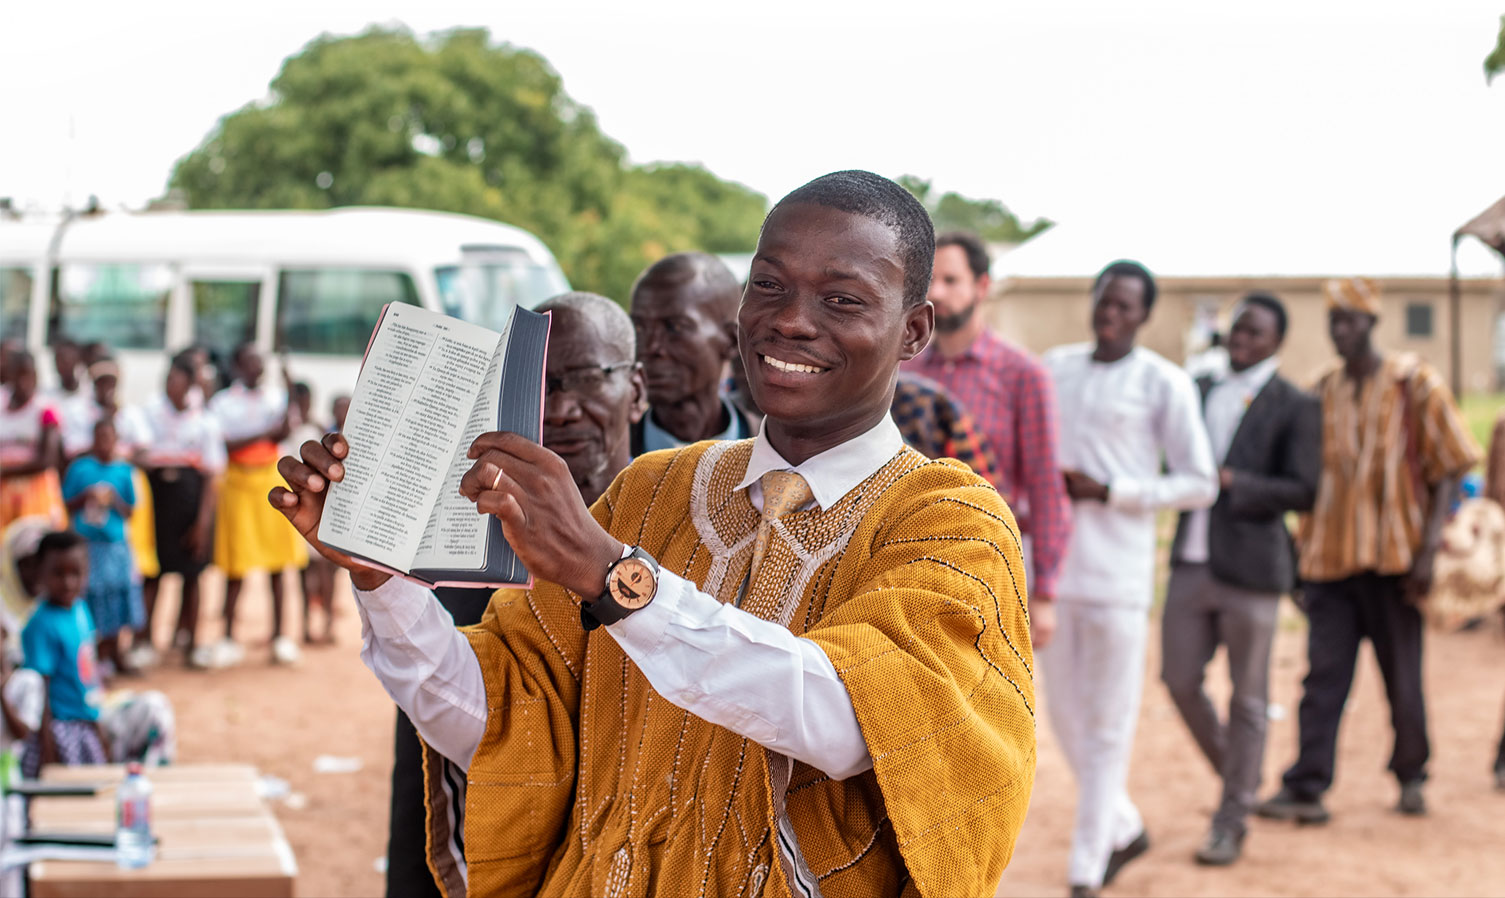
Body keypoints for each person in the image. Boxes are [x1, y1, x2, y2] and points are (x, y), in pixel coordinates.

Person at [274, 171, 1035, 896]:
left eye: (842, 299)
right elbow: (497, 727)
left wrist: (615, 579)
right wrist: (379, 578)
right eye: (767, 284)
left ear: (914, 330)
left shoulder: (949, 521)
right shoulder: (653, 489)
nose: (791, 319)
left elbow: (847, 721)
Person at [378, 291, 646, 898]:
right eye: (539, 386)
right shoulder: (468, 559)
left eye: (587, 378)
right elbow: (429, 775)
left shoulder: (685, 538)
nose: (563, 408)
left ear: (638, 390)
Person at [1258, 277, 1481, 823]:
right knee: (1322, 680)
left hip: (1395, 565)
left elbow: (1452, 465)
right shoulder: (1320, 391)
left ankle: (1411, 775)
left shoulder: (1414, 384)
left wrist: (1428, 552)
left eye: (1350, 320)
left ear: (1372, 323)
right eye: (1334, 320)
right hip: (1330, 566)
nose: (1340, 331)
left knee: (1402, 678)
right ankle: (1307, 786)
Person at [1042, 259, 1218, 897]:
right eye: (1104, 301)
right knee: (1063, 718)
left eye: (1125, 306)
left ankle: (1086, 869)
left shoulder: (1164, 383)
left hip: (1119, 576)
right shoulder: (1055, 369)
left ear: (1144, 315)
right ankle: (1124, 824)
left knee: (1110, 721)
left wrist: (1113, 491)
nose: (1111, 314)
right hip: (1055, 572)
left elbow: (1200, 482)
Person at [1161, 293, 1321, 865]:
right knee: (1178, 679)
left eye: (1254, 333)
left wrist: (1236, 481)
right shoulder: (1196, 388)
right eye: (1236, 329)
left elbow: (1305, 490)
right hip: (1190, 560)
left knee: (1249, 700)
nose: (1241, 339)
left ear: (1276, 341)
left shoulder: (1295, 404)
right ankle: (1242, 780)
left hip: (1253, 567)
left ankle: (1230, 821)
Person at [904, 231, 1071, 647]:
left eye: (951, 280)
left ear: (982, 286)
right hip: (904, 553)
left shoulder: (1023, 374)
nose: (936, 293)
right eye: (929, 281)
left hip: (985, 559)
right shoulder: (904, 370)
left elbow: (1045, 484)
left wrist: (1045, 592)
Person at [209, 342, 306, 667]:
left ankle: (280, 637)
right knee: (236, 565)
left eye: (260, 363)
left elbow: (284, 430)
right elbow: (225, 443)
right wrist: (264, 433)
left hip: (269, 479)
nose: (256, 369)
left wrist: (289, 382)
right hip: (237, 483)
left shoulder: (275, 397)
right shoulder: (223, 402)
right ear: (237, 366)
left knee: (278, 563)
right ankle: (227, 638)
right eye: (250, 363)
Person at [133, 355, 226, 669]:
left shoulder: (205, 422)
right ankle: (143, 641)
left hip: (189, 505)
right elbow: (137, 453)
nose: (170, 385)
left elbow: (212, 477)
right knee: (152, 575)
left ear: (190, 384)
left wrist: (202, 523)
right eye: (168, 379)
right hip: (155, 504)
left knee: (192, 575)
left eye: (177, 379)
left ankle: (192, 641)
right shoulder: (149, 414)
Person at [628, 252, 757, 453]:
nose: (650, 347)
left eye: (675, 327)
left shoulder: (779, 455)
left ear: (732, 341)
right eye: (639, 328)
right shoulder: (607, 458)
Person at [19, 531, 107, 776]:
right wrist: (48, 751)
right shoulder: (40, 625)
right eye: (58, 573)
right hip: (60, 730)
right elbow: (39, 692)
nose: (68, 582)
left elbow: (90, 672)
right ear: (40, 572)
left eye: (75, 573)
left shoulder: (81, 610)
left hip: (87, 721)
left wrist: (98, 724)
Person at [61, 418, 141, 678]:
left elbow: (130, 511)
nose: (105, 443)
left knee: (116, 599)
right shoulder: (80, 469)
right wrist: (86, 496)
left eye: (109, 438)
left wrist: (113, 499)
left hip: (114, 546)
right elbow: (65, 503)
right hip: (87, 545)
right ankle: (93, 657)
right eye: (100, 438)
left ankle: (113, 653)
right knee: (91, 599)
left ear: (116, 441)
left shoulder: (124, 471)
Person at [0, 352, 66, 530]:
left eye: (27, 375)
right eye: (18, 375)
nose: (23, 382)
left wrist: (6, 471)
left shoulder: (44, 409)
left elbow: (48, 460)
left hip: (35, 493)